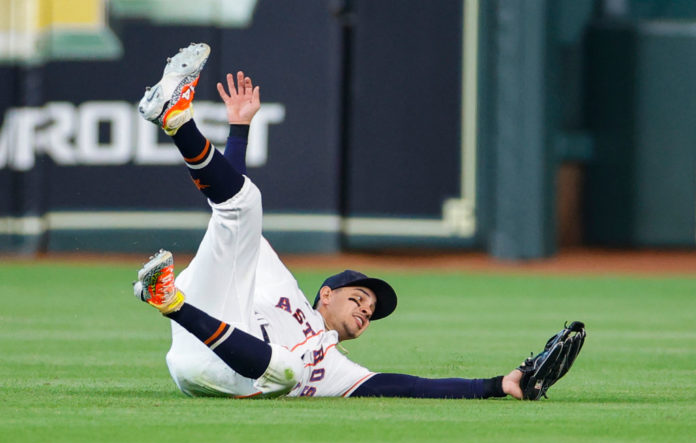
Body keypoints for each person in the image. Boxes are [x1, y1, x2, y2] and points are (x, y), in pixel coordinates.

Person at [133, 43, 584, 400]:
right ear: (325, 294)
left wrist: (497, 384)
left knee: (291, 368)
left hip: (228, 375)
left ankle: (168, 294)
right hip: (196, 346)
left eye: (371, 310)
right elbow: (233, 212)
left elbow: (407, 386)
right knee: (241, 208)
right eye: (361, 297)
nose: (367, 309)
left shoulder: (334, 366)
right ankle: (176, 123)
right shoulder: (277, 283)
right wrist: (240, 130)